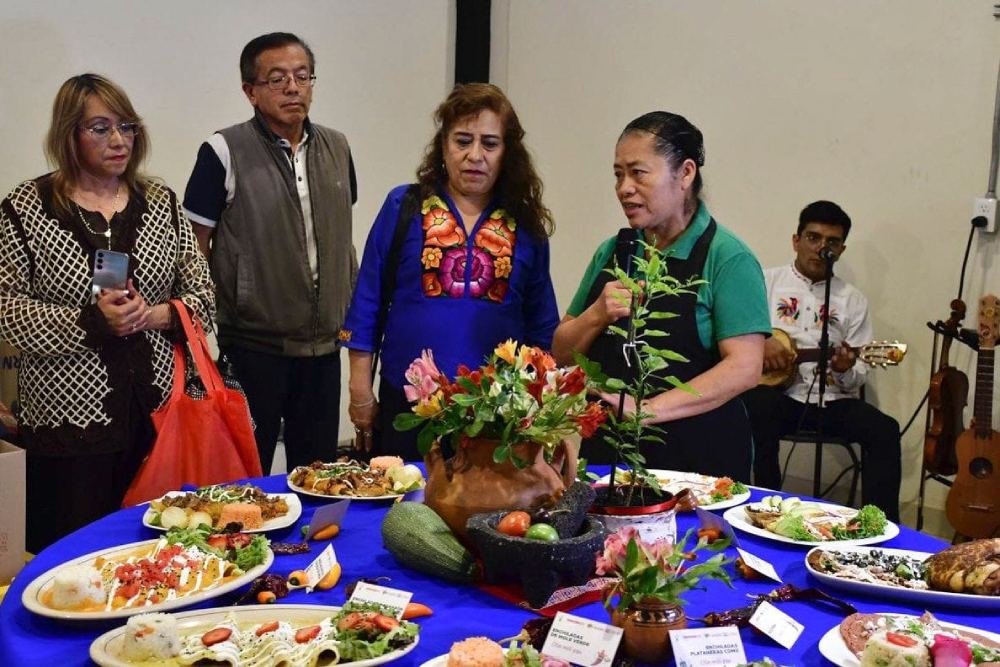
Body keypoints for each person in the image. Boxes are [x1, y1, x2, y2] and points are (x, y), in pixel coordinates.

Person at [0, 74, 215, 552]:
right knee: (73, 562)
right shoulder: (26, 207)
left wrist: (154, 315)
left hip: (158, 421)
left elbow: (203, 292)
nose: (118, 140)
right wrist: (92, 323)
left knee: (159, 557)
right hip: (67, 428)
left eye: (127, 126)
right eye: (99, 128)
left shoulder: (160, 203)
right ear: (68, 134)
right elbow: (6, 309)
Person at [341, 83, 560, 461]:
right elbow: (367, 302)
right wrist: (360, 390)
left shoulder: (526, 225)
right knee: (404, 512)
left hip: (497, 416)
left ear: (507, 152)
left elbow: (541, 326)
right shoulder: (404, 206)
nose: (475, 155)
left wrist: (542, 411)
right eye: (463, 141)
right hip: (407, 405)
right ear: (444, 147)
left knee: (486, 517)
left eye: (490, 143)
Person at [552, 111, 770, 482]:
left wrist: (648, 410)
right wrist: (596, 315)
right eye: (618, 174)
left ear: (685, 174)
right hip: (609, 462)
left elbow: (745, 367)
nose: (624, 187)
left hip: (699, 465)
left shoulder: (727, 257)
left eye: (638, 172)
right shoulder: (613, 251)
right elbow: (560, 351)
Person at [183, 32, 357, 474]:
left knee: (317, 477)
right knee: (247, 473)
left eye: (302, 76)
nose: (293, 88)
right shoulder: (223, 151)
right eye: (277, 79)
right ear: (250, 92)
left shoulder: (338, 147)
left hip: (323, 350)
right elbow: (192, 251)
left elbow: (338, 237)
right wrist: (202, 334)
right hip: (252, 347)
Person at [741, 200, 901, 521]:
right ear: (796, 240)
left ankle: (880, 527)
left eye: (832, 242)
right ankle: (767, 513)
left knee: (884, 429)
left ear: (841, 249)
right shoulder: (764, 282)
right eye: (813, 238)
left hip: (832, 402)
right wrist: (764, 340)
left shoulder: (851, 299)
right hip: (780, 397)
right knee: (756, 407)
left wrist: (845, 370)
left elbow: (859, 372)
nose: (821, 248)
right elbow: (736, 334)